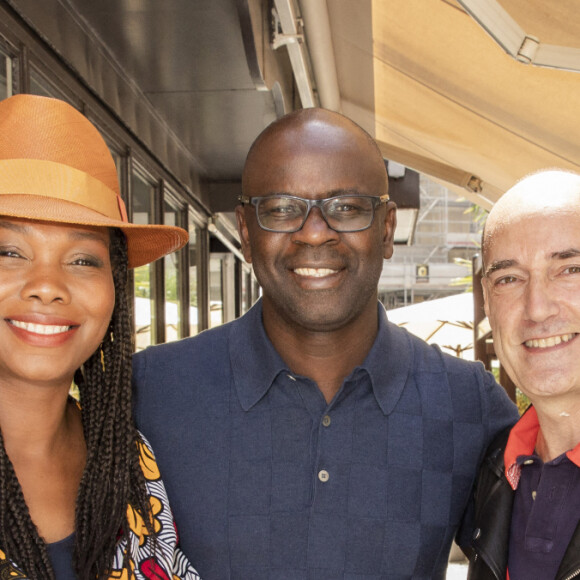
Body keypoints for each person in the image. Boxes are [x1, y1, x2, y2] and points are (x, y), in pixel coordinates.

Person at [133, 107, 518, 579]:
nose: (314, 232)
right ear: (246, 233)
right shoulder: (152, 391)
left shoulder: (467, 404)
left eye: (347, 208)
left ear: (387, 228)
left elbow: (536, 550)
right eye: (281, 209)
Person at [0, 94, 200, 580]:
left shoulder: (131, 462)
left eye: (83, 260)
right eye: (9, 251)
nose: (47, 286)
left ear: (116, 290)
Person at [467, 169, 580, 579]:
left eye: (569, 269)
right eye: (509, 279)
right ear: (487, 301)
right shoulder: (494, 474)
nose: (537, 309)